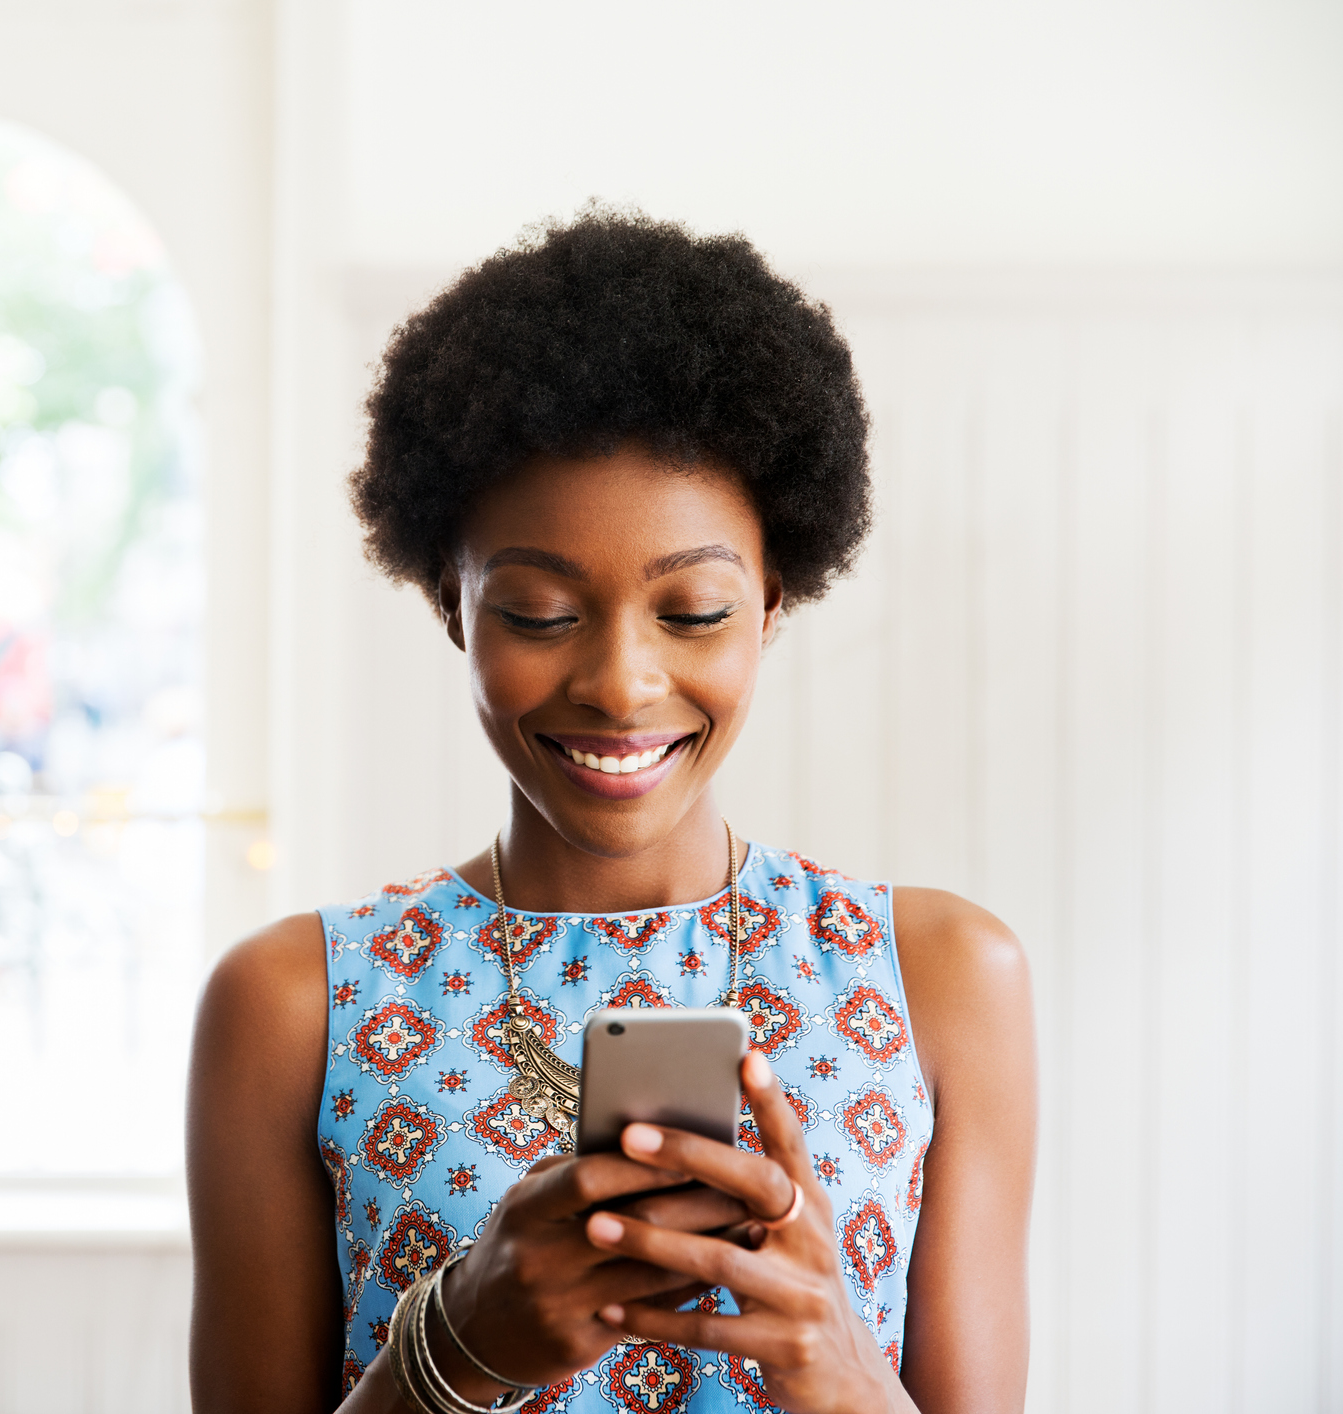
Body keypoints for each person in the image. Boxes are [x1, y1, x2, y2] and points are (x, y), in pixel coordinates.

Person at [187, 208, 1035, 1414]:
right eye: (537, 612)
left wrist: (843, 1374)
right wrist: (455, 1349)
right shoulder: (291, 1005)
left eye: (690, 611)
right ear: (450, 605)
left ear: (773, 600)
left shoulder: (942, 977)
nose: (619, 685)